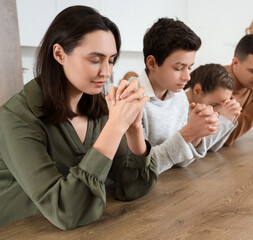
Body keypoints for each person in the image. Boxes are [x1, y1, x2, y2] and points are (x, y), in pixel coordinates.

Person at [0, 6, 157, 230]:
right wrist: (115, 127)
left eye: (111, 60)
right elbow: (66, 210)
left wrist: (134, 128)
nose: (106, 72)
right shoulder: (16, 117)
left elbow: (132, 186)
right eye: (95, 60)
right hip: (19, 230)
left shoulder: (100, 107)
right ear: (59, 54)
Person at [138, 18, 237, 174]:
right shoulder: (131, 101)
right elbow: (141, 170)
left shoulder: (178, 96)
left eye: (189, 68)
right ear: (152, 63)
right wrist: (189, 133)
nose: (187, 77)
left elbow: (181, 161)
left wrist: (196, 135)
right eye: (179, 68)